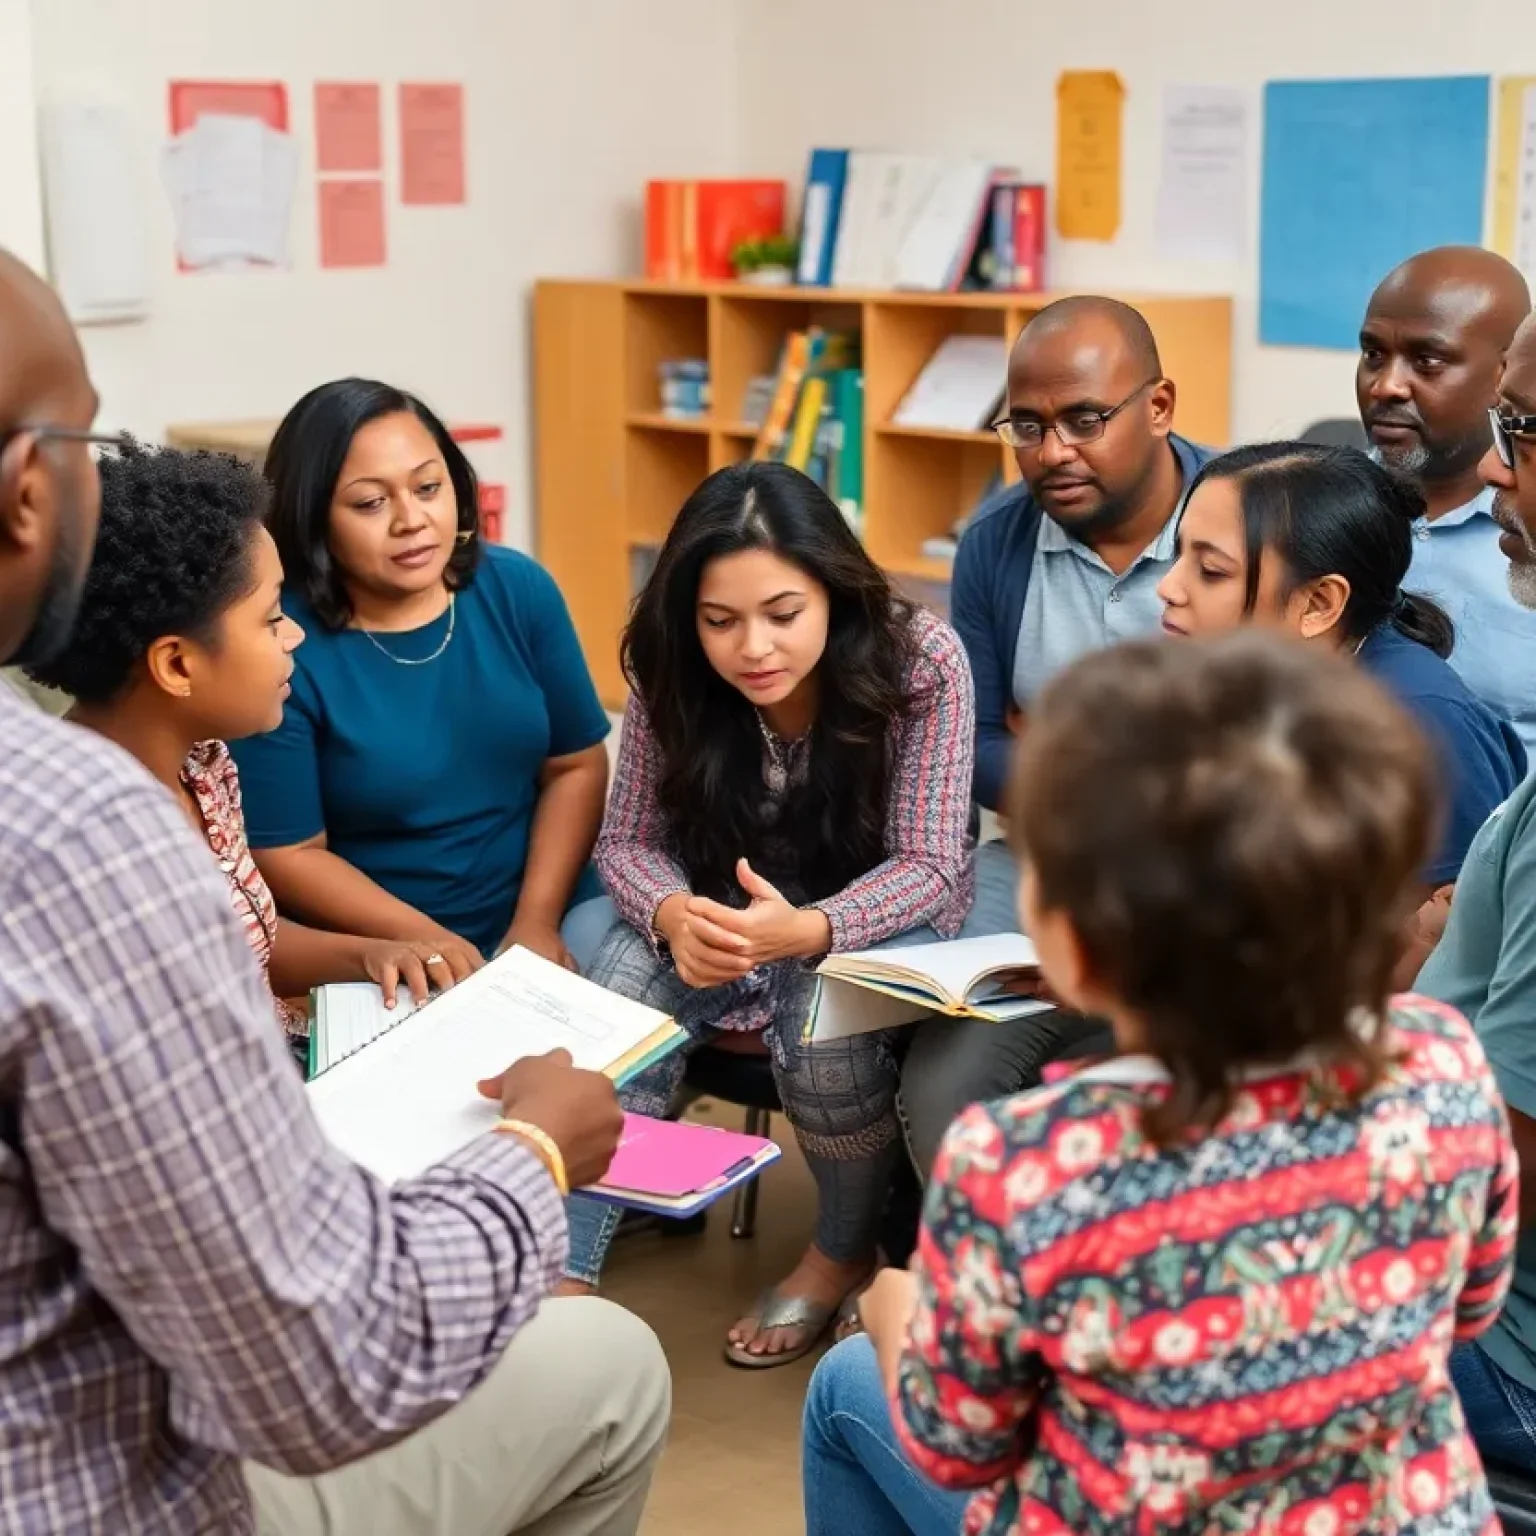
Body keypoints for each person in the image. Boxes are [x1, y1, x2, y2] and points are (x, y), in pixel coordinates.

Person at [0, 247, 669, 1534]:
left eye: (431, 486)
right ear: (33, 485)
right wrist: (533, 1158)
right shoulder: (90, 833)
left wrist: (394, 957)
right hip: (115, 1475)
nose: (293, 641)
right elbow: (315, 1367)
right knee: (611, 1363)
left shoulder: (193, 768)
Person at [803, 631, 1517, 1536]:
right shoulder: (1445, 1062)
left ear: (1069, 945)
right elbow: (1467, 1305)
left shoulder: (1025, 1161)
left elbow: (960, 1442)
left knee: (846, 1386)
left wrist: (897, 1312)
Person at [561, 460, 974, 1367]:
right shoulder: (670, 670)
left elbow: (932, 863)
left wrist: (814, 929)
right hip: (716, 920)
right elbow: (625, 842)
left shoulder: (923, 663)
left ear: (835, 591)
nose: (753, 648)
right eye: (721, 621)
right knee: (618, 989)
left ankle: (840, 1249)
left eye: (783, 615)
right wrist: (672, 913)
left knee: (818, 1016)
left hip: (870, 923)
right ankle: (566, 1275)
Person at [24, 441, 471, 1071]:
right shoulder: (92, 847)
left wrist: (370, 954)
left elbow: (247, 941)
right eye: (270, 618)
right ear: (177, 664)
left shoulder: (204, 764)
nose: (294, 634)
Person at [900, 296, 1216, 1182]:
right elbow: (973, 750)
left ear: (1159, 406)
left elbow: (1262, 752)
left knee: (1190, 1082)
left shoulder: (1242, 519)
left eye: (1085, 419)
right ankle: (965, 1275)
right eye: (1027, 426)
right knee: (940, 1080)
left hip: (1217, 868)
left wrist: (1056, 757)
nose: (1052, 452)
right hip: (1045, 862)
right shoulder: (996, 542)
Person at [230, 379, 613, 975]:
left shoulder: (518, 588)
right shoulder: (282, 644)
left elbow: (576, 765)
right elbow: (291, 853)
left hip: (549, 916)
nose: (412, 520)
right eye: (369, 503)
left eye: (428, 487)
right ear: (314, 518)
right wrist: (439, 948)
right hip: (387, 947)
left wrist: (535, 922)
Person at [1158, 441, 1525, 976]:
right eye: (1178, 556)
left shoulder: (1418, 724)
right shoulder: (1242, 687)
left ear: (1319, 604)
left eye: (1210, 571)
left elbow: (1443, 962)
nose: (1169, 588)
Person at [1420, 308, 1536, 1475]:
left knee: (864, 1388)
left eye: (1523, 428)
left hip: (1505, 1346)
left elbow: (1502, 1167)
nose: (1497, 463)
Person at [1357, 246, 1536, 754]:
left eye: (1427, 361)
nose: (1386, 385)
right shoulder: (1314, 512)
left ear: (1506, 374)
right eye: (1373, 353)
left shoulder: (1530, 543)